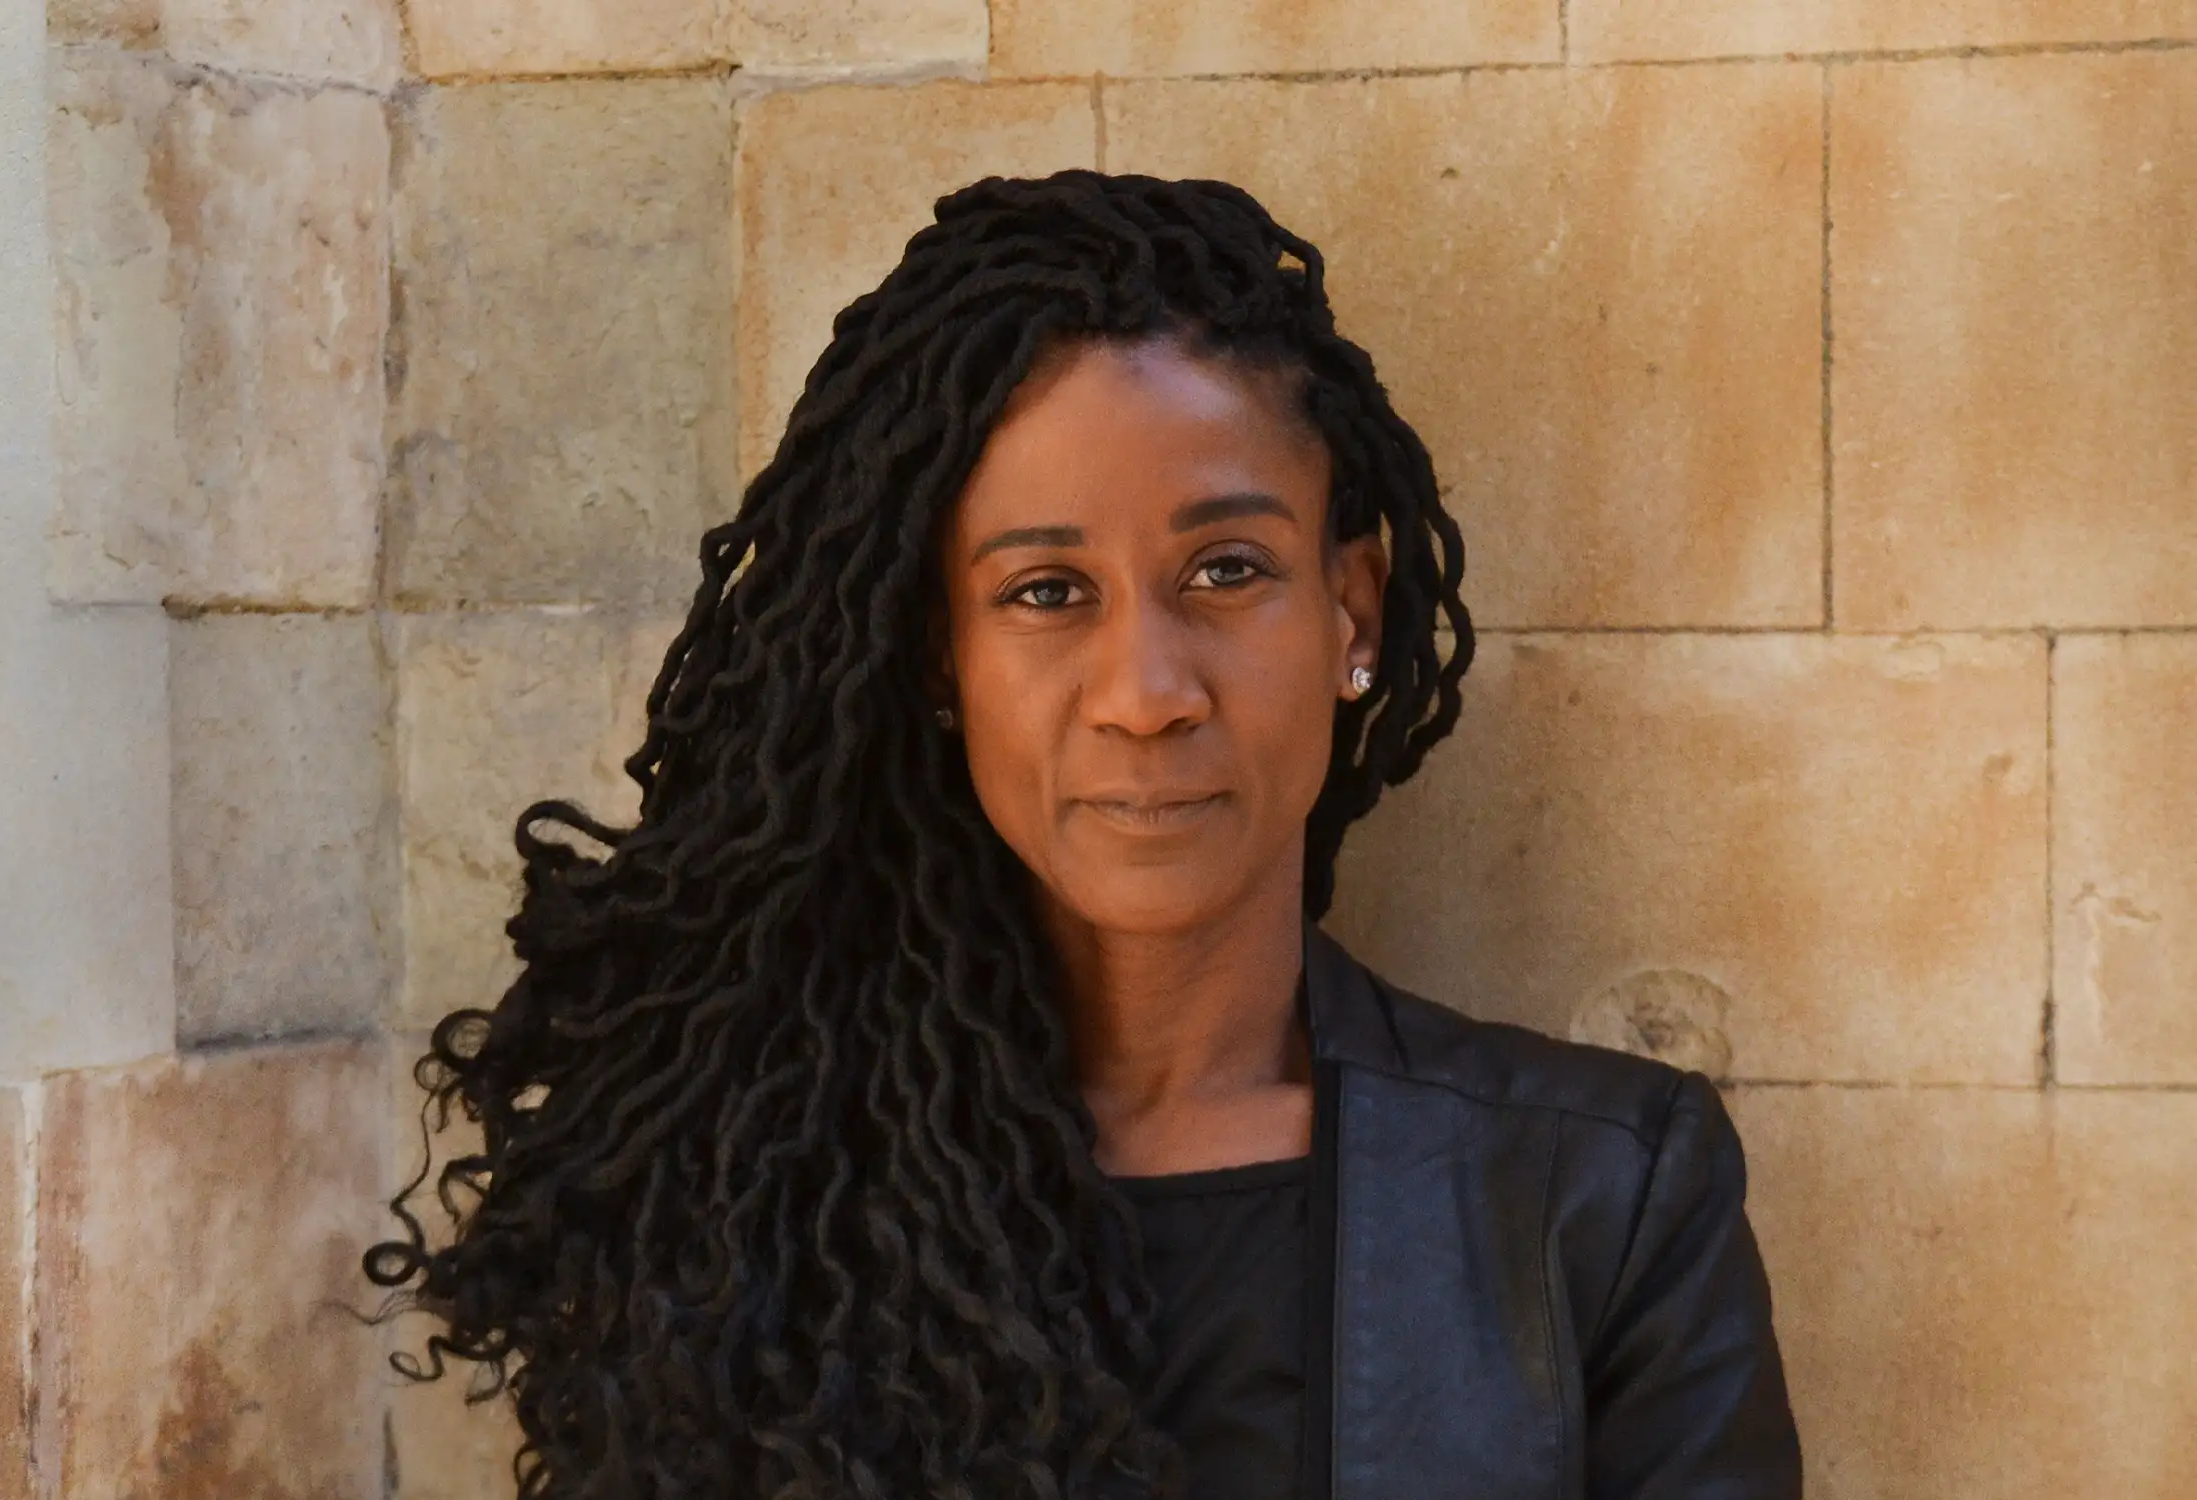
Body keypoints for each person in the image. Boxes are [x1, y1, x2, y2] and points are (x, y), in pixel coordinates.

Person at [367, 169, 1801, 1500]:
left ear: (1351, 614)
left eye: (1225, 570)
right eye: (1046, 592)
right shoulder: (740, 1203)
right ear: (939, 658)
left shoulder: (1602, 1198)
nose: (1146, 694)